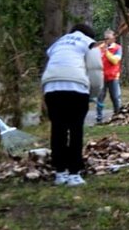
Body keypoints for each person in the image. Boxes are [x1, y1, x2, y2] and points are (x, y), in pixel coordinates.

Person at [42, 23, 103, 186]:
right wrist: (94, 94)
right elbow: (96, 70)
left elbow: (51, 58)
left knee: (58, 129)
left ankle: (59, 172)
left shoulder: (58, 42)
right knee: (76, 130)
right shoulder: (89, 42)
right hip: (75, 87)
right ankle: (74, 174)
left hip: (51, 87)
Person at [95, 29, 123, 123]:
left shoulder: (118, 48)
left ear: (113, 38)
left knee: (115, 97)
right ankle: (99, 117)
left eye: (109, 38)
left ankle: (118, 115)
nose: (107, 40)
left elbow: (115, 60)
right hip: (101, 76)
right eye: (105, 38)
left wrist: (106, 51)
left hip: (113, 76)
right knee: (100, 97)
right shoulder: (99, 48)